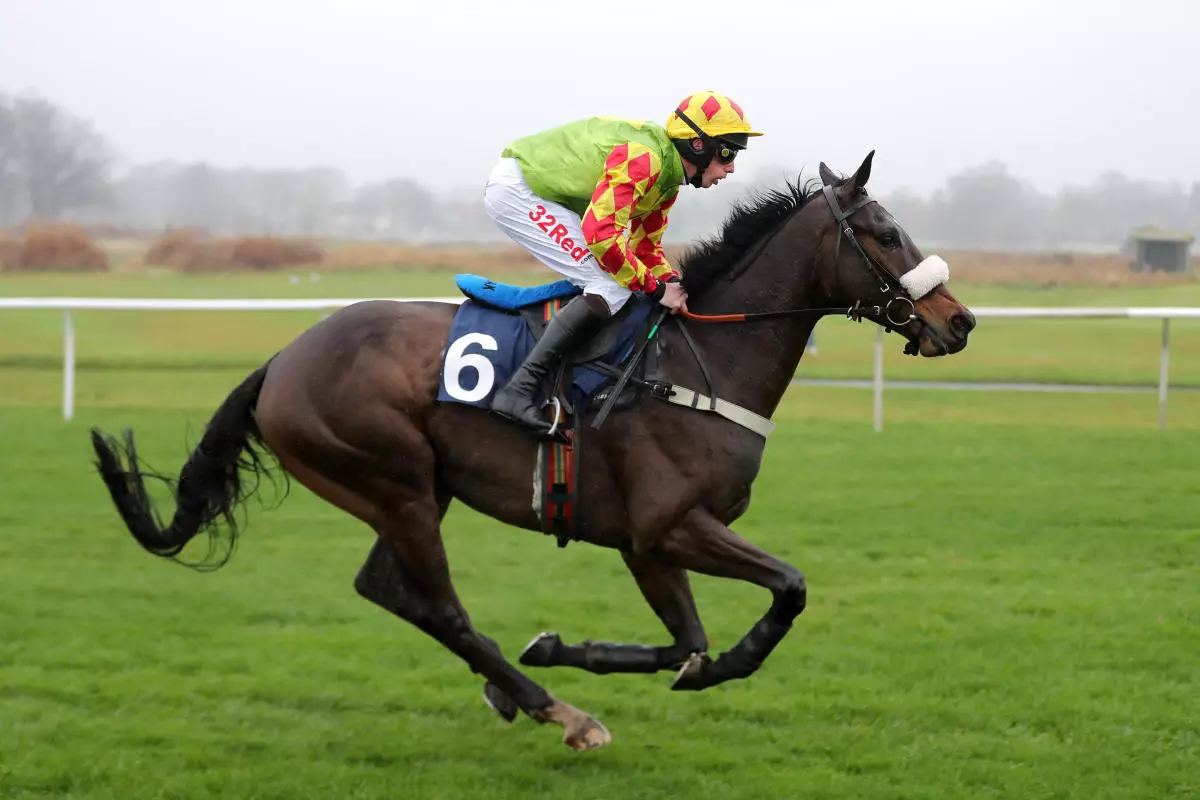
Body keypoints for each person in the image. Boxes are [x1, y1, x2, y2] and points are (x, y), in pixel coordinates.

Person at [483, 91, 764, 435]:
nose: (732, 166)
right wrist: (655, 287)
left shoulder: (667, 182)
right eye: (727, 152)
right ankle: (519, 389)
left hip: (544, 192)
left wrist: (676, 283)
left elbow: (644, 248)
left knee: (619, 279)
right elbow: (602, 235)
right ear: (697, 145)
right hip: (519, 190)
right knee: (609, 283)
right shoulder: (646, 160)